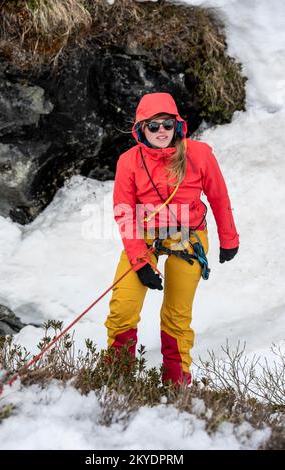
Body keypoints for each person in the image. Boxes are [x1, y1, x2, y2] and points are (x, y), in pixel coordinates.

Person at [105, 92, 239, 386]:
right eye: (153, 126)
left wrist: (229, 238)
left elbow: (218, 196)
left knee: (177, 314)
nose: (161, 131)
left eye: (167, 124)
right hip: (146, 237)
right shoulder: (129, 161)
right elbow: (124, 213)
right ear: (142, 129)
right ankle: (115, 380)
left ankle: (176, 385)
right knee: (123, 308)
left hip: (188, 238)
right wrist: (140, 262)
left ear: (176, 125)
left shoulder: (200, 154)